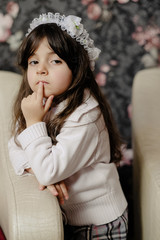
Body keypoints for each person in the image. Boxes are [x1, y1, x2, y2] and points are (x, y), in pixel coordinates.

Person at [8, 12, 128, 240]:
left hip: (98, 223)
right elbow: (13, 144)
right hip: (65, 215)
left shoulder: (86, 115)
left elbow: (49, 170)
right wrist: (34, 167)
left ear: (76, 67)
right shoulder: (35, 101)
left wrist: (34, 124)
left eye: (55, 60)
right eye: (34, 61)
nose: (41, 69)